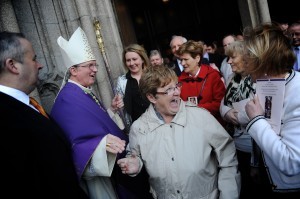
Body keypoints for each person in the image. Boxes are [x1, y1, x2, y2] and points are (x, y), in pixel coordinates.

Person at [117, 66, 241, 199]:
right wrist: (136, 163)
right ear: (152, 97)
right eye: (168, 90)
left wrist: (228, 195)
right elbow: (135, 156)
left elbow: (228, 157)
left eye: (176, 86)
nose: (176, 92)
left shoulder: (200, 117)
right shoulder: (139, 128)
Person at [0, 31, 87, 198]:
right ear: (12, 65)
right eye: (33, 59)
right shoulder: (6, 119)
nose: (39, 65)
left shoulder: (26, 105)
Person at [50, 27, 132, 199]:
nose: (95, 69)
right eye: (90, 65)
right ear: (73, 70)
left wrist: (112, 111)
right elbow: (75, 143)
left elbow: (93, 124)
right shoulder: (67, 99)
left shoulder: (82, 91)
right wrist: (103, 144)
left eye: (95, 64)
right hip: (98, 178)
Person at [244, 23, 300, 198]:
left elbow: (291, 163)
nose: (245, 67)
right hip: (268, 179)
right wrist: (255, 163)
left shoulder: (297, 92)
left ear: (263, 61)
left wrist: (256, 120)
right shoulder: (265, 85)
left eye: (248, 60)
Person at [219, 40, 261, 199]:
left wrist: (238, 117)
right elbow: (222, 104)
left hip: (254, 145)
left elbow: (258, 109)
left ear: (246, 57)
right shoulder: (230, 78)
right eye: (228, 58)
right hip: (236, 144)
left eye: (232, 57)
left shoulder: (258, 78)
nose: (229, 61)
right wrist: (227, 113)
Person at [114, 43, 153, 199]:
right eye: (128, 60)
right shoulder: (122, 81)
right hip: (137, 129)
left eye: (135, 59)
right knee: (143, 166)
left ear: (142, 59)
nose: (132, 63)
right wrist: (117, 105)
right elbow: (119, 104)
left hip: (157, 126)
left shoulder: (152, 75)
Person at [177, 40, 226, 127]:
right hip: (191, 127)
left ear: (197, 58)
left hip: (213, 126)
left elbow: (220, 103)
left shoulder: (212, 76)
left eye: (186, 59)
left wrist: (197, 108)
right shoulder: (179, 81)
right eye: (181, 60)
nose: (182, 63)